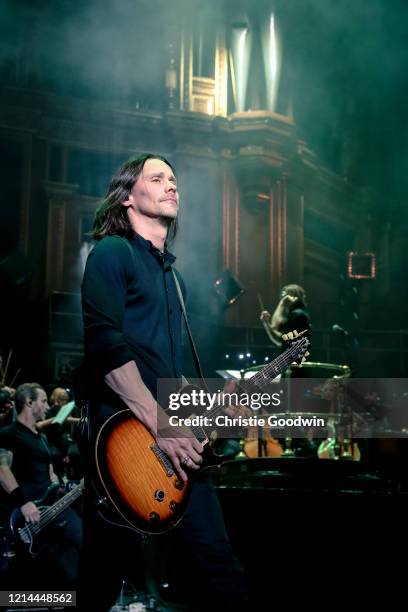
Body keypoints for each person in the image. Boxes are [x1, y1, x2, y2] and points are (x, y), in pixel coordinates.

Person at [78, 154, 249, 611]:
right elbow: (105, 348)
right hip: (126, 446)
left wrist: (218, 401)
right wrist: (162, 425)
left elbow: (173, 373)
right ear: (128, 196)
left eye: (174, 179)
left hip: (178, 452)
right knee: (99, 579)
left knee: (222, 571)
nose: (172, 186)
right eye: (157, 179)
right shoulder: (112, 253)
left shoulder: (176, 281)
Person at [0, 382, 82, 589]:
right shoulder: (9, 433)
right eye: (43, 401)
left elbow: (50, 475)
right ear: (29, 402)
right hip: (29, 511)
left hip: (52, 508)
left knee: (75, 561)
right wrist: (23, 502)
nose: (47, 406)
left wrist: (62, 486)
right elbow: (2, 470)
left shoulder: (42, 438)